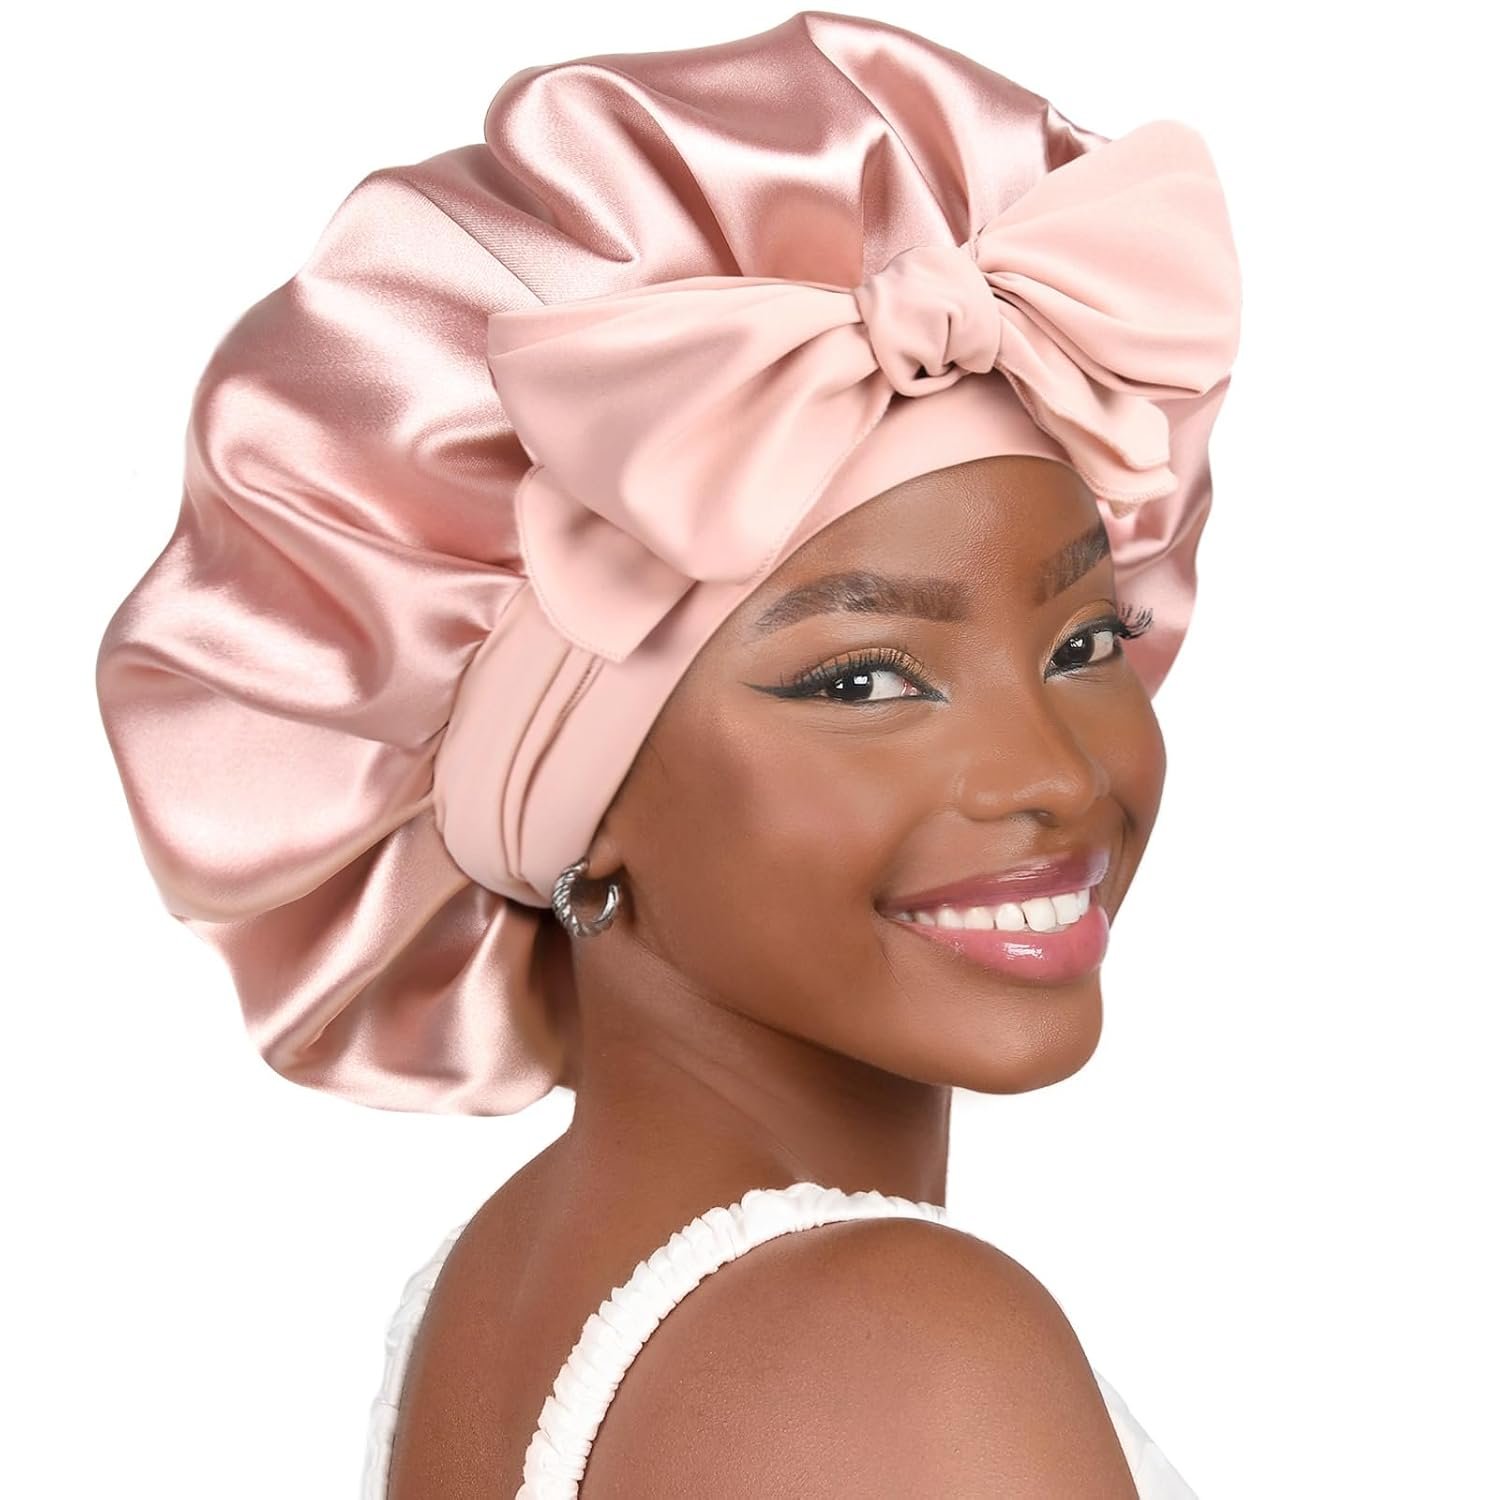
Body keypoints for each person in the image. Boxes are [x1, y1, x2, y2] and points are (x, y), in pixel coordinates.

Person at [94, 11, 1240, 1497]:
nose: (1053, 775)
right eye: (867, 677)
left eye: (1086, 642)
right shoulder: (909, 1352)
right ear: (576, 802)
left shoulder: (498, 1275)